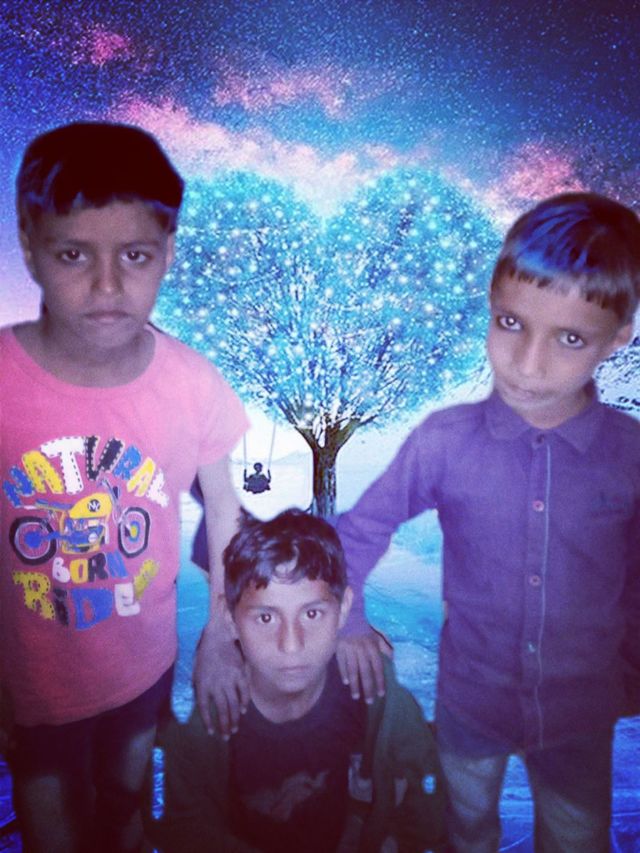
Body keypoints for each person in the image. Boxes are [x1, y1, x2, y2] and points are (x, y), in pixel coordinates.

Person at [335, 192, 640, 852]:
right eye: (510, 322)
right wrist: (349, 620)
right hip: (470, 705)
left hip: (580, 715)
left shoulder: (630, 454)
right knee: (465, 827)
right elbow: (359, 529)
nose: (528, 363)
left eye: (569, 338)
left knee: (576, 837)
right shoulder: (444, 440)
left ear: (618, 338)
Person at [0, 121, 249, 853]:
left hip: (143, 672)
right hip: (28, 685)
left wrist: (221, 634)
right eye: (74, 254)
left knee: (126, 819)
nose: (107, 286)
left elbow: (225, 513)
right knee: (52, 835)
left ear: (167, 252)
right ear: (31, 247)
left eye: (134, 255)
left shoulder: (193, 383)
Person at [154, 509, 446, 853]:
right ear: (230, 620)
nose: (291, 645)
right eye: (266, 617)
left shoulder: (369, 682)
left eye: (311, 613)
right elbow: (182, 827)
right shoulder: (205, 718)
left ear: (343, 610)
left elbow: (426, 789)